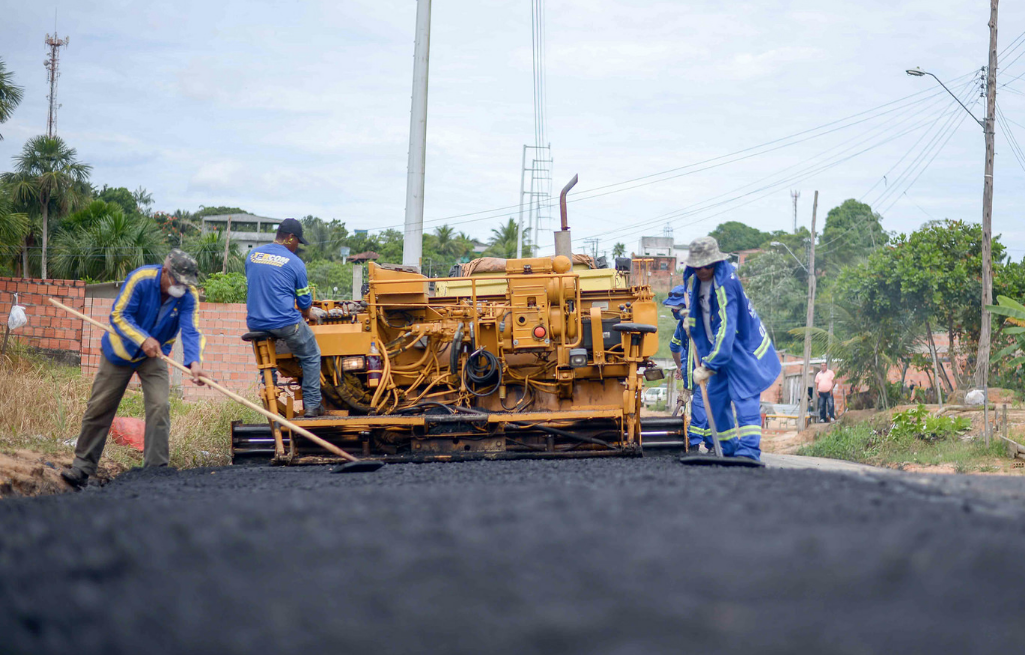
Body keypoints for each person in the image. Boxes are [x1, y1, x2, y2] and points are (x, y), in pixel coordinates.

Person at [61, 250, 206, 488]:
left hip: (155, 355)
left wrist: (195, 363)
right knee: (100, 407)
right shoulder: (141, 279)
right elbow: (119, 315)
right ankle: (82, 467)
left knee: (160, 405)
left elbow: (191, 329)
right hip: (120, 351)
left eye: (186, 283)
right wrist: (143, 339)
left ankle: (155, 471)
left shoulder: (188, 295)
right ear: (166, 272)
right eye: (178, 281)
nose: (182, 287)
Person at [674, 237, 781, 461]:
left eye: (706, 265)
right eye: (698, 266)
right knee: (715, 396)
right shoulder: (700, 282)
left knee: (744, 397)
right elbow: (703, 315)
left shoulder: (726, 283)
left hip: (743, 351)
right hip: (722, 351)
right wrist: (689, 323)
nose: (702, 270)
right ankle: (728, 449)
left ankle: (749, 450)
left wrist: (710, 364)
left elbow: (726, 325)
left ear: (714, 263)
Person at [245, 218, 324, 418]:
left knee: (267, 359)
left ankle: (271, 395)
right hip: (285, 322)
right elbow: (305, 302)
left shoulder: (253, 255)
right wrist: (309, 315)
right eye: (298, 241)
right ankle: (313, 405)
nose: (298, 246)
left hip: (255, 323)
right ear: (290, 238)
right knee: (312, 354)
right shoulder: (295, 263)